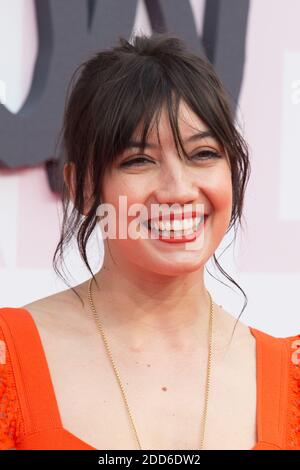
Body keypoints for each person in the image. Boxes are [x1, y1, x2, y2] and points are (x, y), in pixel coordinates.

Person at [0, 32, 299, 451]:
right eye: (139, 160)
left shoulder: (291, 379)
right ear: (84, 187)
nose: (178, 190)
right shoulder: (8, 360)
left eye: (203, 154)